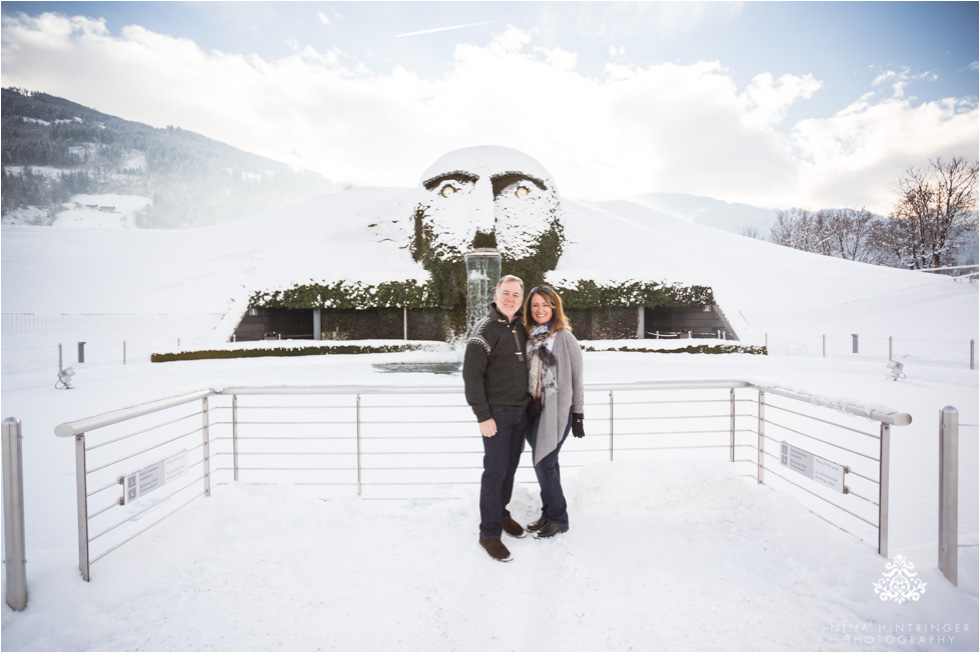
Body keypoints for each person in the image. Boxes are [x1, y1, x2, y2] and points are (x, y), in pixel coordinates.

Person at [463, 275, 531, 562]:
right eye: (506, 293)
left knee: (509, 470)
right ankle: (488, 534)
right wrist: (483, 415)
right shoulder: (484, 329)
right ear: (496, 294)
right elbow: (471, 376)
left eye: (516, 294)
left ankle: (500, 514)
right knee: (494, 474)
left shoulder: (523, 327)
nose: (510, 298)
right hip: (497, 416)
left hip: (520, 413)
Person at [522, 285, 585, 539]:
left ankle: (559, 517)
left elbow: (577, 378)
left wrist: (578, 414)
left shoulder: (564, 338)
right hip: (531, 412)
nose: (540, 310)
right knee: (548, 464)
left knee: (544, 463)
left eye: (545, 305)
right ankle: (549, 514)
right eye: (535, 305)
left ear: (554, 307)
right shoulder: (526, 337)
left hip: (557, 412)